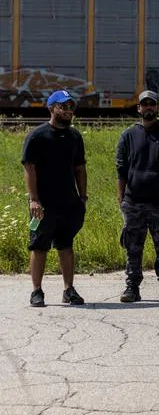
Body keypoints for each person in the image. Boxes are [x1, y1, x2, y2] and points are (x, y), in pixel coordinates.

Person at [116, 90, 159, 304]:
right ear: (139, 108)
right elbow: (121, 169)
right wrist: (122, 199)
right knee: (133, 248)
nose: (148, 108)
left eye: (151, 105)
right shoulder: (128, 135)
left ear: (157, 108)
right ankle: (132, 287)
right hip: (133, 201)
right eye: (144, 105)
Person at [23, 90, 87, 307]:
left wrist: (82, 197)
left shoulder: (74, 136)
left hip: (69, 202)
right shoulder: (37, 135)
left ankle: (69, 290)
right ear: (52, 108)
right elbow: (29, 169)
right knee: (39, 246)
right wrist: (34, 199)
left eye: (71, 107)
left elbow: (80, 168)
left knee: (66, 245)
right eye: (63, 106)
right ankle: (36, 291)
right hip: (43, 203)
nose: (68, 111)